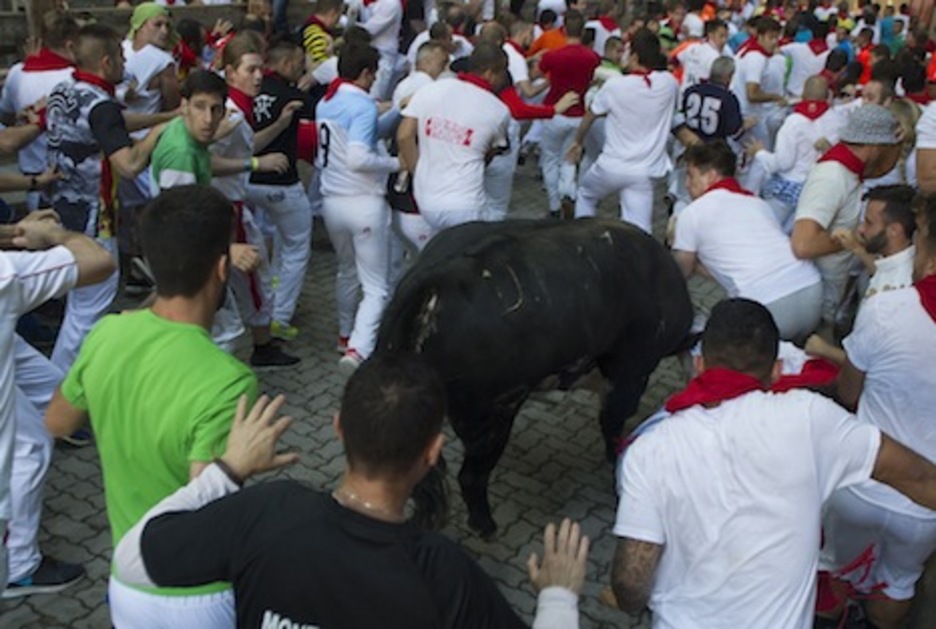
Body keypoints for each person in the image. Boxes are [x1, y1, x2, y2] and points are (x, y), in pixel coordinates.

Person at [113, 355, 589, 629]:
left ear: (338, 428)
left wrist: (228, 469)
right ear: (432, 453)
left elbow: (131, 557)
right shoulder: (444, 574)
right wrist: (558, 596)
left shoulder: (269, 509)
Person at [611, 297, 936, 627]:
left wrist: (631, 600)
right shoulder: (809, 418)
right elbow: (921, 479)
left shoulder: (649, 451)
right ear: (778, 370)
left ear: (700, 366)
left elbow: (631, 582)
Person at [45, 186, 259, 628]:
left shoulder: (106, 334)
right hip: (200, 593)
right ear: (222, 268)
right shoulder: (229, 380)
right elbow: (203, 508)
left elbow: (57, 420)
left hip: (127, 584)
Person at [814, 192, 936, 629]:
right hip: (926, 503)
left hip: (862, 481)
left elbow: (848, 390)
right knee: (900, 581)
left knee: (832, 569)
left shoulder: (888, 309)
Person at [0, 214, 115, 596]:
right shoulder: (6, 275)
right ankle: (18, 565)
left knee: (53, 392)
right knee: (30, 446)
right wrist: (53, 235)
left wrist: (17, 232)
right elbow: (98, 261)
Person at [45, 24, 167, 373]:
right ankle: (58, 393)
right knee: (89, 308)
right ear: (105, 61)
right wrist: (156, 134)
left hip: (61, 210)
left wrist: (164, 115)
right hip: (92, 218)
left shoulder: (66, 89)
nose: (125, 61)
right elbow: (128, 165)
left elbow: (111, 124)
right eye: (120, 55)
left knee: (79, 303)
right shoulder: (101, 105)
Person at [211, 32, 301, 368]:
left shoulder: (238, 109)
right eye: (250, 70)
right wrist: (254, 165)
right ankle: (260, 346)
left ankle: (261, 342)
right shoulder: (229, 114)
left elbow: (248, 143)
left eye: (261, 69)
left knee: (252, 275)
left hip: (234, 205)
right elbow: (206, 160)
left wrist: (280, 124)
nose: (259, 76)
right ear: (231, 73)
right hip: (226, 209)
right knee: (252, 277)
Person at [672, 141, 822, 340]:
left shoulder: (691, 214)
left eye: (691, 176)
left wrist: (672, 243)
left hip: (765, 307)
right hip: (812, 292)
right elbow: (734, 264)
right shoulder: (757, 203)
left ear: (711, 177)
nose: (686, 184)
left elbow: (681, 271)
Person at [316, 43, 402, 373]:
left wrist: (395, 111)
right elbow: (359, 157)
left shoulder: (328, 101)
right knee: (377, 286)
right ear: (367, 73)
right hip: (363, 203)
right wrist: (397, 163)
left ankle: (344, 332)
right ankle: (359, 350)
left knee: (347, 271)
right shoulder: (362, 105)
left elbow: (364, 135)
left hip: (332, 202)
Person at [792, 103, 901, 332]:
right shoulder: (832, 175)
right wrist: (855, 241)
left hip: (830, 290)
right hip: (818, 295)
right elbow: (803, 244)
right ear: (875, 147)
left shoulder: (849, 170)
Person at [568, 28, 678, 233]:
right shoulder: (669, 84)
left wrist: (578, 141)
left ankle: (582, 241)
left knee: (585, 194)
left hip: (611, 166)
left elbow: (590, 115)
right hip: (644, 172)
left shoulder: (615, 86)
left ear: (635, 56)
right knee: (640, 229)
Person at [397, 42, 511, 233]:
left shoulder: (431, 89)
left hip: (426, 200)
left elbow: (404, 135)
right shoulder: (499, 110)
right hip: (466, 204)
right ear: (491, 73)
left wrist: (419, 172)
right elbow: (491, 151)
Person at [246, 38, 315, 341]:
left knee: (275, 247)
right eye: (299, 61)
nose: (302, 67)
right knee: (296, 248)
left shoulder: (251, 92)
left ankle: (268, 304)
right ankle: (280, 316)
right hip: (282, 185)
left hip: (250, 180)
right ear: (286, 64)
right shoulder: (293, 97)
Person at [0, 10, 77, 211]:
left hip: (33, 174)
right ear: (71, 43)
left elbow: (6, 114)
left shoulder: (18, 73)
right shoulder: (77, 78)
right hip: (72, 174)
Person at [749, 75, 837, 231]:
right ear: (827, 96)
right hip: (815, 190)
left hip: (787, 190)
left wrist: (760, 153)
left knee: (768, 230)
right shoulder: (836, 119)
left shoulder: (793, 122)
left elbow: (783, 163)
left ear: (803, 95)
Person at [538, 10, 600, 219]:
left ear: (563, 29)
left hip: (555, 110)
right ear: (582, 31)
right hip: (578, 113)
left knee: (549, 159)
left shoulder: (553, 56)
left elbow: (539, 73)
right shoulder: (592, 57)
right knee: (569, 158)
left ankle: (554, 205)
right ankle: (569, 191)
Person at [832, 184, 916, 301]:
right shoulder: (898, 261)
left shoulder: (896, 290)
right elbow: (882, 269)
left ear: (894, 230)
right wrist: (856, 248)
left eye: (869, 223)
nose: (861, 229)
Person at [732, 17, 786, 148]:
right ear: (760, 37)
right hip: (748, 115)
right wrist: (775, 97)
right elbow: (752, 94)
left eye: (777, 38)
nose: (774, 42)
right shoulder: (757, 58)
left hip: (742, 111)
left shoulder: (747, 50)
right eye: (771, 38)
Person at [674, 18, 728, 91]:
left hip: (685, 92)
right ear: (710, 35)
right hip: (700, 96)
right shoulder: (715, 57)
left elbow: (676, 60)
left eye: (726, 36)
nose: (724, 40)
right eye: (721, 36)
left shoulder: (692, 47)